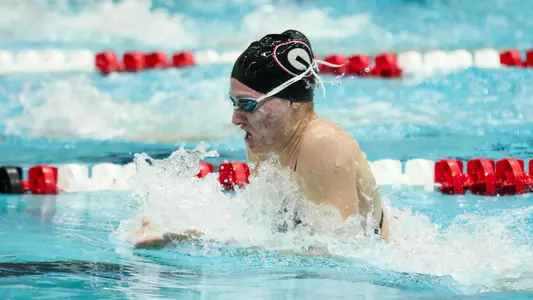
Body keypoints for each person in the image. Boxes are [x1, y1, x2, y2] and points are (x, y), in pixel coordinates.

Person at [133, 29, 389, 249]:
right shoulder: (266, 144)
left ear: (292, 102)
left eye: (247, 104)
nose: (235, 118)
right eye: (234, 103)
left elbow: (339, 257)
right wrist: (179, 220)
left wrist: (209, 240)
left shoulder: (323, 144)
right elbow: (268, 228)